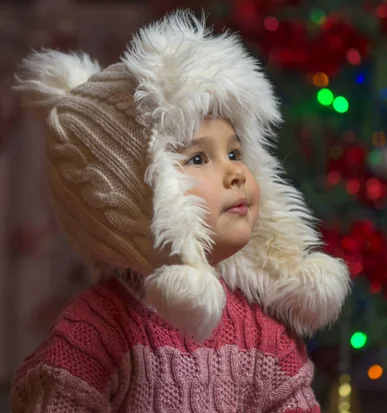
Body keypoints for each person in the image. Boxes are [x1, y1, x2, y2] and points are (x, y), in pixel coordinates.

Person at [11, 10, 350, 413]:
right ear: (134, 193)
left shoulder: (264, 333)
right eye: (197, 159)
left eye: (235, 152)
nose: (235, 173)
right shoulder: (95, 328)